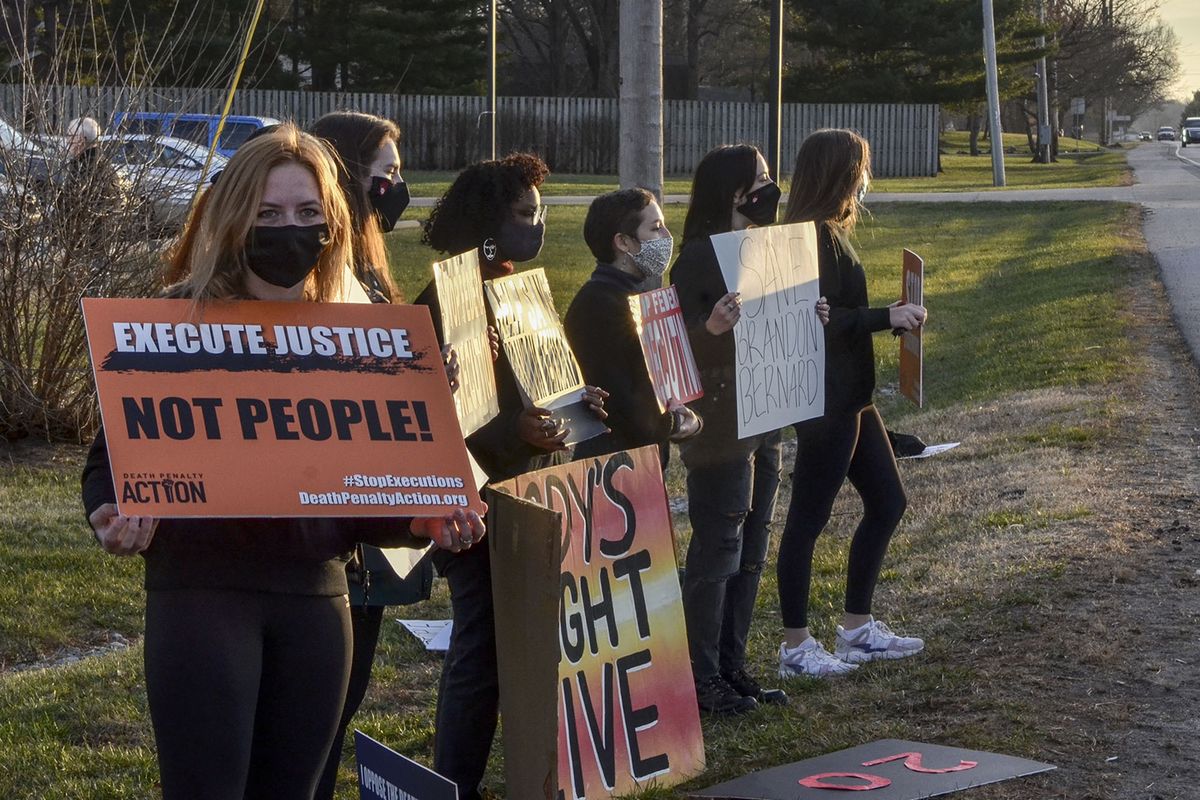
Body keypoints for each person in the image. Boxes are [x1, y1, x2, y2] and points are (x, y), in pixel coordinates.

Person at [80, 124, 486, 799]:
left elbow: (363, 499)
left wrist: (424, 519)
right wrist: (109, 511)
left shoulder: (362, 334)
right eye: (267, 214)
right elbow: (109, 462)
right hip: (201, 594)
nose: (287, 230)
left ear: (332, 224)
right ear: (234, 216)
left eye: (306, 214)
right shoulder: (172, 325)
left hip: (319, 602)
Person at [419, 152, 607, 799]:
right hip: (472, 502)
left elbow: (536, 394)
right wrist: (513, 436)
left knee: (511, 645)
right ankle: (457, 783)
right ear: (490, 220)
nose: (539, 223)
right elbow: (447, 416)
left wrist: (580, 405)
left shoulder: (515, 286)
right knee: (482, 648)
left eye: (540, 210)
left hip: (524, 491)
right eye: (527, 212)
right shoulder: (452, 299)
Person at [307, 110, 444, 800]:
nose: (397, 188)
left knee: (343, 698)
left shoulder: (370, 259)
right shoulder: (314, 268)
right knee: (312, 714)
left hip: (372, 519)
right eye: (385, 175)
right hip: (332, 520)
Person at [775, 128, 927, 679]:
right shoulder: (809, 237)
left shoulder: (835, 233)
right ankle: (795, 648)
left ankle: (858, 631)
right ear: (841, 174)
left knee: (888, 502)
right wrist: (885, 318)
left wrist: (889, 314)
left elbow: (837, 314)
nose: (867, 179)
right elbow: (814, 323)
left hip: (854, 397)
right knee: (806, 522)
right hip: (825, 402)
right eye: (861, 169)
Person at [670, 144, 791, 714]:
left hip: (768, 408)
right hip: (721, 422)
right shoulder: (698, 256)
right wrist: (709, 328)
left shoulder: (765, 248)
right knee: (717, 546)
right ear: (732, 194)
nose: (771, 189)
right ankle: (701, 676)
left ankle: (732, 663)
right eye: (760, 181)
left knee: (753, 543)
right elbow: (671, 341)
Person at [565, 188, 701, 465]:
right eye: (655, 228)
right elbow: (621, 405)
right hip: (613, 466)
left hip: (638, 460)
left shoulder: (631, 298)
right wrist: (677, 424)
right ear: (623, 243)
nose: (666, 237)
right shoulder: (599, 306)